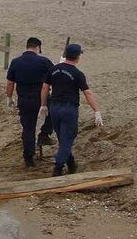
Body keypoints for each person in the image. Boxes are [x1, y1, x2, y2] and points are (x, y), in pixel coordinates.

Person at [39, 44, 104, 176]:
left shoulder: (53, 69)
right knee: (67, 139)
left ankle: (71, 163)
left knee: (63, 138)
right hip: (69, 108)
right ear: (78, 57)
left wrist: (43, 104)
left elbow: (45, 87)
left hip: (54, 107)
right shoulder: (77, 74)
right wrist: (96, 111)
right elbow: (87, 93)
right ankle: (57, 168)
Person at [6, 37, 55, 167]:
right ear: (38, 47)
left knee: (28, 129)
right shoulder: (44, 61)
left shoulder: (16, 62)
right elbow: (55, 76)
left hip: (24, 99)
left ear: (27, 47)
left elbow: (10, 82)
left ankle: (29, 158)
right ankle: (44, 133)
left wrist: (9, 97)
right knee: (53, 114)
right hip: (42, 98)